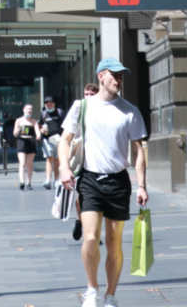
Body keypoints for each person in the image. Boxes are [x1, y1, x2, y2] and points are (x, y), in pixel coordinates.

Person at [59, 59, 148, 307]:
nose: (118, 80)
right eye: (114, 75)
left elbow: (138, 149)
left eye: (121, 76)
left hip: (118, 181)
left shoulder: (129, 111)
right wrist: (64, 167)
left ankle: (110, 295)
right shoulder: (82, 106)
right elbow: (65, 140)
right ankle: (91, 289)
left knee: (114, 243)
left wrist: (141, 185)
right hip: (90, 179)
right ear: (101, 76)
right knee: (90, 237)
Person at [71, 83, 98, 240]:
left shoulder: (104, 110)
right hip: (81, 158)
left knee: (96, 198)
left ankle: (92, 231)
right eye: (86, 94)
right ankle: (80, 220)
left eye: (91, 94)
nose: (88, 97)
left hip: (97, 160)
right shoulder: (79, 107)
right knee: (80, 195)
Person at [13, 102, 41, 189]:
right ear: (24, 110)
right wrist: (19, 129)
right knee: (22, 162)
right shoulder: (19, 120)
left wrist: (38, 136)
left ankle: (29, 182)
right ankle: (22, 182)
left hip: (31, 142)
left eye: (31, 109)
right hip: (22, 141)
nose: (29, 111)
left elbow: (37, 132)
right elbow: (14, 133)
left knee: (29, 163)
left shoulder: (34, 121)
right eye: (28, 109)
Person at [40, 94, 65, 188]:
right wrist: (41, 130)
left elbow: (65, 125)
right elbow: (39, 125)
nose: (48, 105)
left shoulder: (60, 112)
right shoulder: (43, 114)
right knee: (49, 158)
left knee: (57, 159)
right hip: (47, 139)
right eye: (46, 103)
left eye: (50, 103)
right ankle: (48, 180)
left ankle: (57, 179)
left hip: (58, 139)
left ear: (54, 104)